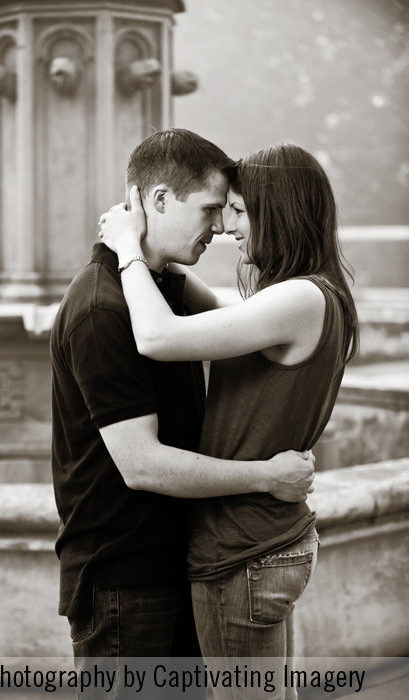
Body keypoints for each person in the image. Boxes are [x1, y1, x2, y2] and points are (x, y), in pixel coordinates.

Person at [50, 130, 315, 698]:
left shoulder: (158, 288)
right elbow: (142, 465)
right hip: (126, 577)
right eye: (212, 209)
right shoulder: (101, 309)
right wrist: (267, 476)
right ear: (161, 200)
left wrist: (138, 250)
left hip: (178, 563)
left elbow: (232, 314)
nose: (221, 227)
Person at [100, 141, 359, 699]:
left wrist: (126, 247)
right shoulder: (313, 296)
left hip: (243, 551)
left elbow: (157, 336)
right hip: (266, 543)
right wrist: (158, 253)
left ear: (279, 213)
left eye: (238, 211)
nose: (226, 228)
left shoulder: (298, 299)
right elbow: (212, 312)